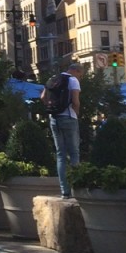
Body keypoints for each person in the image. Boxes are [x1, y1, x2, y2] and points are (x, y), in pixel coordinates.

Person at [45, 60, 83, 198]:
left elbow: (43, 96)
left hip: (54, 119)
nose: (80, 78)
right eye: (81, 75)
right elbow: (76, 101)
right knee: (74, 153)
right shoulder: (73, 80)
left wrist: (52, 108)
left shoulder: (53, 79)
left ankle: (64, 191)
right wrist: (76, 113)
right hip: (69, 117)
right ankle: (76, 187)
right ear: (77, 71)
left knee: (60, 154)